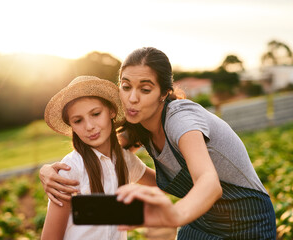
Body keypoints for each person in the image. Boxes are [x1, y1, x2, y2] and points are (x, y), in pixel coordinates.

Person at [40, 48, 277, 239]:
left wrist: (174, 214)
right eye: (126, 86)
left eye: (145, 89)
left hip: (247, 219)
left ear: (164, 92)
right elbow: (101, 149)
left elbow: (209, 183)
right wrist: (48, 171)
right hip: (201, 218)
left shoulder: (181, 119)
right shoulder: (138, 125)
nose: (132, 98)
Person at [40, 76, 156, 240]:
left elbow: (164, 183)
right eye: (78, 120)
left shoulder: (126, 160)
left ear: (111, 111)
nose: (89, 126)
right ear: (71, 126)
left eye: (95, 114)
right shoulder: (69, 169)